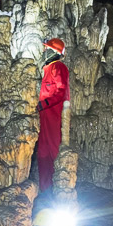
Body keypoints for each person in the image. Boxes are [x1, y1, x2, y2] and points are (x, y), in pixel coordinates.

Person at [36, 38, 69, 191]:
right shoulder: (46, 69)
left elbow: (61, 92)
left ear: (54, 52)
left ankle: (59, 188)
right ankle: (45, 190)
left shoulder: (59, 67)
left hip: (54, 117)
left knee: (54, 151)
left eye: (47, 48)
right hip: (43, 117)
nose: (44, 51)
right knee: (42, 153)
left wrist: (44, 104)